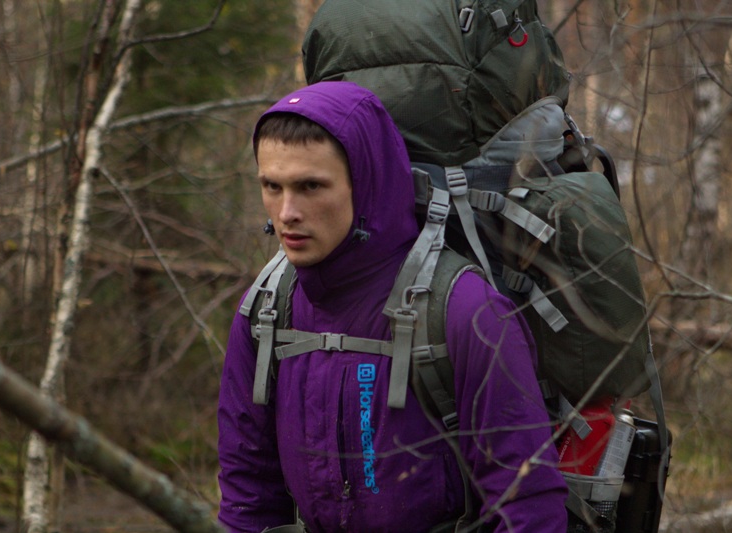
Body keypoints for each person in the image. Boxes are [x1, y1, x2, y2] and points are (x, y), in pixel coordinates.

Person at [217, 81, 568, 533]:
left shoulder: (465, 312)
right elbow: (248, 493)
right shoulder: (266, 311)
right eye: (272, 186)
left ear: (366, 183)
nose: (286, 213)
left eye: (311, 186)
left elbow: (527, 506)